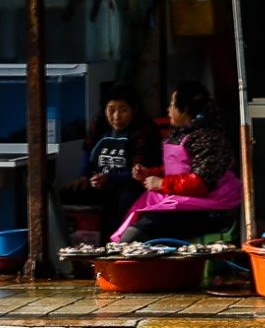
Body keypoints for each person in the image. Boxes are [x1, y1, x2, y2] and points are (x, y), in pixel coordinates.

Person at [116, 81, 242, 242]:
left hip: (211, 210)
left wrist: (161, 184)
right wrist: (150, 173)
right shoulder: (182, 134)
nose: (168, 109)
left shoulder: (208, 139)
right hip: (185, 202)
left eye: (172, 104)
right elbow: (178, 169)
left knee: (145, 228)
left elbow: (201, 183)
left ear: (186, 109)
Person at [62, 86, 161, 240]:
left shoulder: (145, 130)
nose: (116, 117)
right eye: (111, 110)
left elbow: (140, 171)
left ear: (134, 109)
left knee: (125, 200)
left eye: (123, 110)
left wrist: (110, 178)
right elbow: (88, 149)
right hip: (100, 182)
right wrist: (83, 176)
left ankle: (117, 243)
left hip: (131, 185)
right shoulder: (100, 123)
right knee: (70, 194)